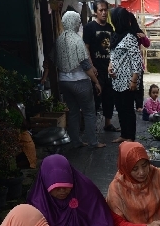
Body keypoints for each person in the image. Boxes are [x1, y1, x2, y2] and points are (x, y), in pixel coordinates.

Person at [56, 11, 105, 149]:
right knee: (89, 112)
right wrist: (96, 81)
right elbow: (85, 66)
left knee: (73, 112)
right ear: (75, 23)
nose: (79, 24)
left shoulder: (59, 39)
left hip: (64, 82)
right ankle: (93, 142)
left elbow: (50, 60)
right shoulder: (78, 40)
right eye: (78, 21)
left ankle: (75, 141)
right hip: (80, 82)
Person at [108, 6, 142, 143]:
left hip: (128, 81)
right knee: (120, 109)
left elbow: (137, 61)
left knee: (128, 110)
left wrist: (134, 81)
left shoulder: (130, 37)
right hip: (116, 80)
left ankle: (130, 137)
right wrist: (110, 66)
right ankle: (124, 134)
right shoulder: (115, 35)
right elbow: (113, 55)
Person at [83, 1, 117, 134]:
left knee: (110, 97)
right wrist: (91, 66)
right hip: (95, 70)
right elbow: (86, 48)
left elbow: (113, 48)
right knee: (95, 99)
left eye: (105, 10)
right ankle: (93, 127)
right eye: (101, 10)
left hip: (108, 68)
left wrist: (112, 64)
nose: (104, 12)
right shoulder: (89, 28)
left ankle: (108, 124)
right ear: (95, 12)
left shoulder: (110, 28)